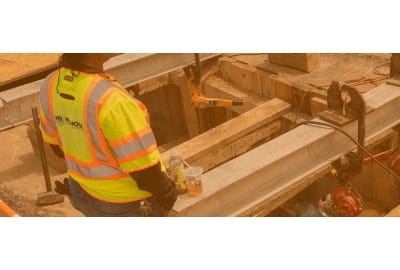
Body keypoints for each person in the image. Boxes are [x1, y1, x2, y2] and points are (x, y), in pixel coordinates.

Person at [38, 53, 178, 217]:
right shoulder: (112, 101)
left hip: (82, 192)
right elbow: (146, 172)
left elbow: (56, 148)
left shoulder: (52, 83)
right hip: (125, 204)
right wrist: (168, 195)